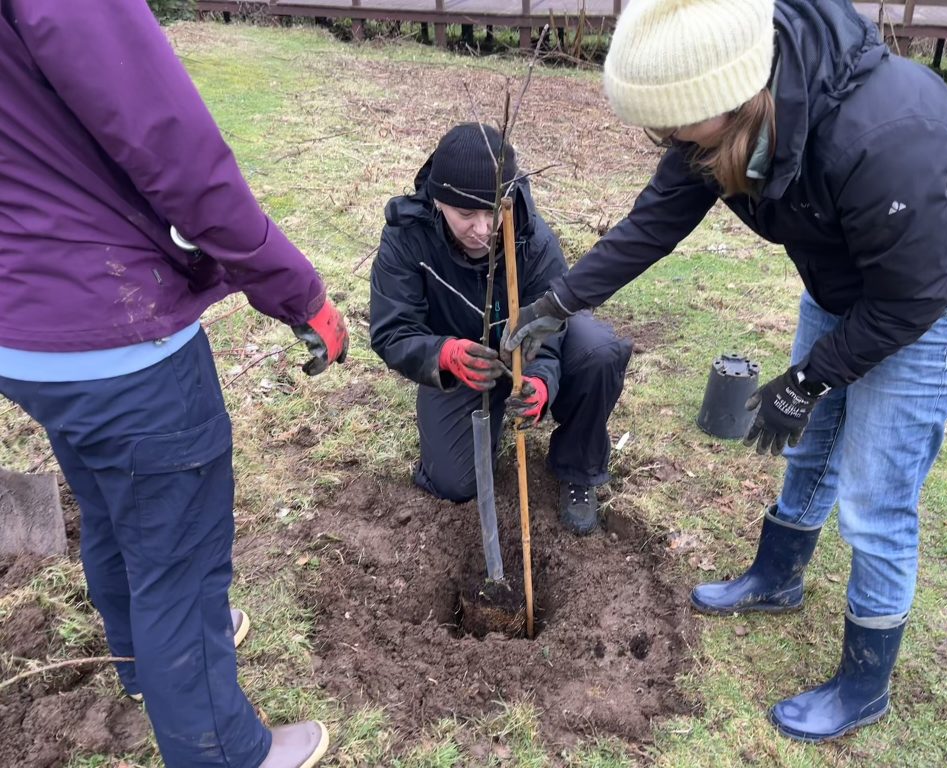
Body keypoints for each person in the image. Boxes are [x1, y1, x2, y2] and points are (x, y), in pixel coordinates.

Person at [504, 0, 947, 743]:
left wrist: (810, 379)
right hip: (845, 286)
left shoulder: (883, 134)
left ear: (732, 98)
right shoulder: (721, 119)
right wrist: (560, 300)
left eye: (679, 126)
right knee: (807, 445)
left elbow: (910, 299)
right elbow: (656, 221)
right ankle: (777, 578)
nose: (670, 141)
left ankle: (864, 684)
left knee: (876, 493)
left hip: (935, 306)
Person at [0, 2, 347, 766]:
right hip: (112, 324)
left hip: (23, 331)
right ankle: (223, 751)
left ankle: (139, 662)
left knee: (108, 497)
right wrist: (298, 292)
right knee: (180, 562)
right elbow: (169, 140)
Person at [370, 123, 633, 534]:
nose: (482, 229)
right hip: (462, 366)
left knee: (598, 349)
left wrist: (542, 381)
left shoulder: (532, 238)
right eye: (466, 214)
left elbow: (551, 328)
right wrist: (444, 354)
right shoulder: (407, 238)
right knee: (454, 483)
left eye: (493, 210)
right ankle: (484, 411)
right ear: (439, 201)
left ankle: (578, 469)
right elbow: (391, 331)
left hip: (526, 351)